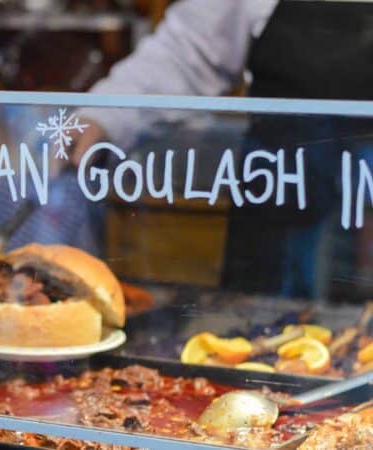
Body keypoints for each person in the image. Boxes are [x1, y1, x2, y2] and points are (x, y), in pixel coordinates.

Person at [73, 0, 373, 298]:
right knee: (258, 335)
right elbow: (186, 53)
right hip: (278, 232)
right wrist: (104, 115)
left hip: (357, 228)